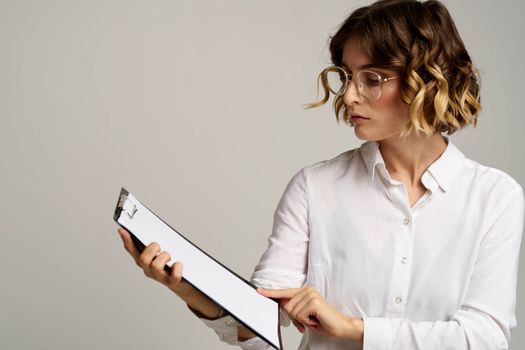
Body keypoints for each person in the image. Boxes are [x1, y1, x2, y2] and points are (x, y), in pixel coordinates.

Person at [116, 0, 525, 348]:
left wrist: (354, 330)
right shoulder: (315, 188)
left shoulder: (496, 197)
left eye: (372, 79)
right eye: (347, 77)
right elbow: (260, 327)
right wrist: (185, 287)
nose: (348, 96)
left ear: (428, 81)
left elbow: (484, 338)